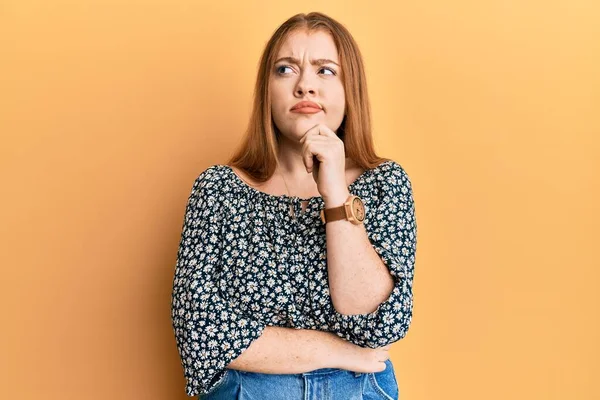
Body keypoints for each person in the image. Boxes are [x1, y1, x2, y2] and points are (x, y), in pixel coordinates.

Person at [170, 11, 417, 400]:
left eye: (325, 71)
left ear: (350, 89)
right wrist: (337, 350)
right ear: (266, 90)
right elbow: (199, 329)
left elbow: (379, 323)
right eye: (286, 70)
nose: (305, 86)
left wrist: (335, 194)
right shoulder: (219, 189)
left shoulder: (384, 183)